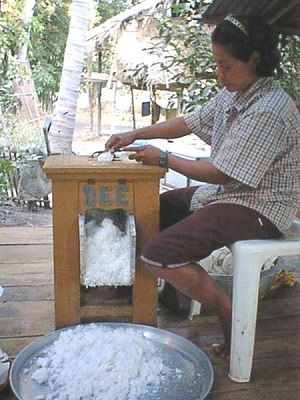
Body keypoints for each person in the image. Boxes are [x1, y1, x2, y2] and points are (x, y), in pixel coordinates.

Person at [105, 14, 300, 358]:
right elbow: (188, 122)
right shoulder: (236, 92)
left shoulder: (269, 108)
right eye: (216, 64)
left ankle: (225, 308)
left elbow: (222, 173)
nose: (219, 74)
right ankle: (173, 292)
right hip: (231, 195)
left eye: (225, 65)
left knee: (158, 252)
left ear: (254, 59)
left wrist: (164, 159)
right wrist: (134, 134)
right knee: (153, 211)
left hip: (263, 206)